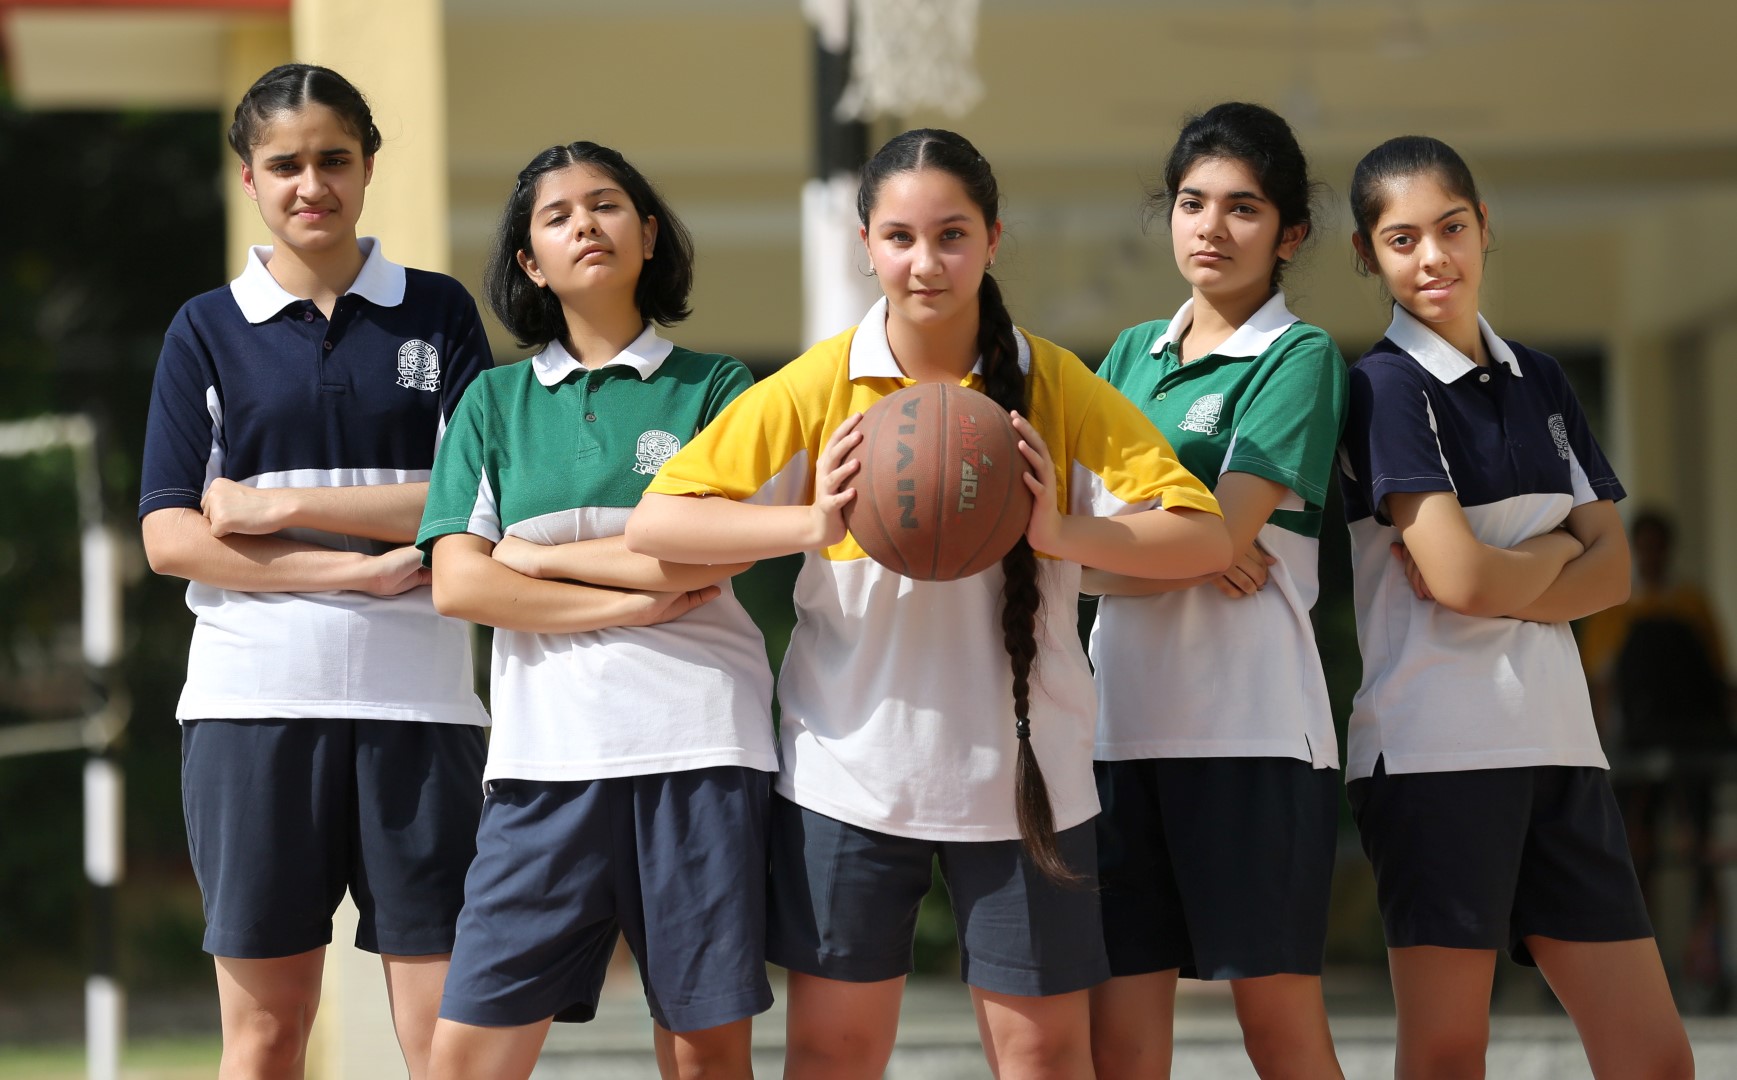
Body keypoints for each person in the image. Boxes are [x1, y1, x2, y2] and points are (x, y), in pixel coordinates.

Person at [626, 128, 1231, 1080]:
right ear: (864, 244)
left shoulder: (1053, 382)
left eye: (951, 235)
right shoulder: (821, 383)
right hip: (850, 769)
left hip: (1030, 775)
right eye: (899, 237)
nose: (925, 262)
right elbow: (658, 522)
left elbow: (1201, 536)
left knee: (1043, 1057)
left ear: (992, 238)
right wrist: (810, 521)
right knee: (834, 1054)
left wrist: (1059, 531)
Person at [138, 63, 491, 1079]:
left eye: (333, 159)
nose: (312, 184)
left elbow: (472, 500)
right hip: (253, 708)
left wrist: (274, 508)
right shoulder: (205, 329)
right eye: (285, 164)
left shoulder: (438, 312)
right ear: (249, 178)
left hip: (421, 708)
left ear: (368, 165)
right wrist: (353, 575)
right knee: (264, 1037)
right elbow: (171, 537)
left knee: (446, 1044)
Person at [1337, 134, 1694, 1078]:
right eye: (1401, 239)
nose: (1432, 257)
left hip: (1562, 749)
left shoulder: (1541, 379)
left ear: (1484, 226)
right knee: (1448, 1053)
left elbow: (1612, 573)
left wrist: (1518, 567)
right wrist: (1560, 546)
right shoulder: (1381, 389)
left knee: (1654, 1058)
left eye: (1450, 228)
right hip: (1434, 755)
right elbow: (1462, 582)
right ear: (1367, 254)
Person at [417, 141, 776, 1080]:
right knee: (464, 1062)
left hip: (698, 750)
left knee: (705, 1060)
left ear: (648, 235)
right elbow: (460, 586)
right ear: (530, 262)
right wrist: (638, 601)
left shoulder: (717, 387)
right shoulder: (490, 403)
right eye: (557, 214)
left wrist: (537, 564)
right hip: (543, 765)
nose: (585, 223)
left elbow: (718, 551)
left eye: (607, 204)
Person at [1083, 102, 1347, 1079]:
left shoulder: (1299, 357)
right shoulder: (1128, 355)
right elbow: (1064, 527)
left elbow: (1217, 537)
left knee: (1278, 1035)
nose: (1210, 227)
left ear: (1291, 234)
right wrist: (1178, 544)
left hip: (1251, 734)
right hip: (1114, 733)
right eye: (1192, 202)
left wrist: (1176, 538)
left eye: (1243, 208)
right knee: (1120, 1046)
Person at [1580, 508, 1732, 1004]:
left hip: (1692, 745)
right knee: (1635, 852)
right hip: (1632, 748)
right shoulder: (1613, 603)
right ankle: (1637, 969)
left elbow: (1717, 677)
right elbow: (1599, 684)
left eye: (1657, 545)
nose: (1651, 554)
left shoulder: (1691, 604)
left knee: (1698, 849)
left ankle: (1705, 960)